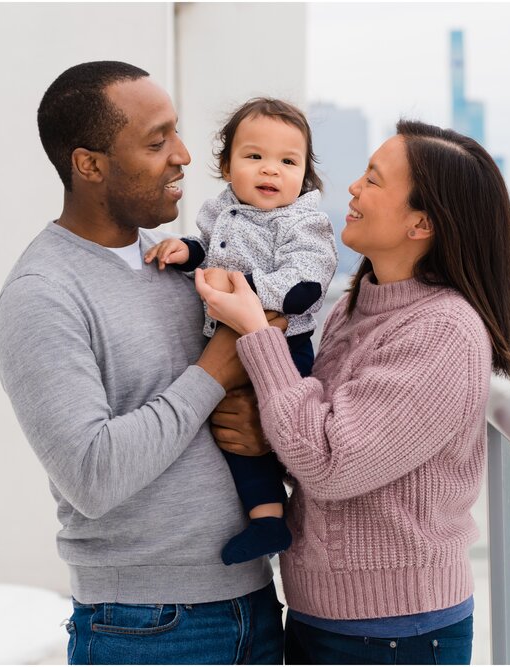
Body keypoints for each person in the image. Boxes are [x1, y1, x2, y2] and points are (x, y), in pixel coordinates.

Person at [196, 120, 510, 664]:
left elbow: (330, 460)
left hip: (397, 630)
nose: (352, 188)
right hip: (325, 613)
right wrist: (267, 438)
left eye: (373, 180)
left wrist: (256, 334)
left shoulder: (443, 331)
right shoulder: (357, 304)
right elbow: (315, 428)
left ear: (421, 222)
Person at [0, 61, 283, 665]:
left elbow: (227, 411)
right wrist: (212, 374)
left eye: (175, 134)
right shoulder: (42, 294)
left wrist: (261, 434)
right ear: (89, 164)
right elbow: (93, 475)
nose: (182, 155)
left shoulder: (183, 266)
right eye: (156, 141)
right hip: (145, 630)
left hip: (257, 604)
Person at [143, 98, 337, 566]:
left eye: (287, 162)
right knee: (233, 430)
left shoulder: (303, 220)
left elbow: (306, 283)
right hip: (229, 340)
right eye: (254, 157)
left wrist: (246, 291)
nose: (270, 170)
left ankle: (273, 518)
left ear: (304, 175)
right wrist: (184, 251)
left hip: (282, 345)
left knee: (268, 424)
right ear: (227, 166)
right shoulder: (221, 210)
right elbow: (208, 250)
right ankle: (267, 519)